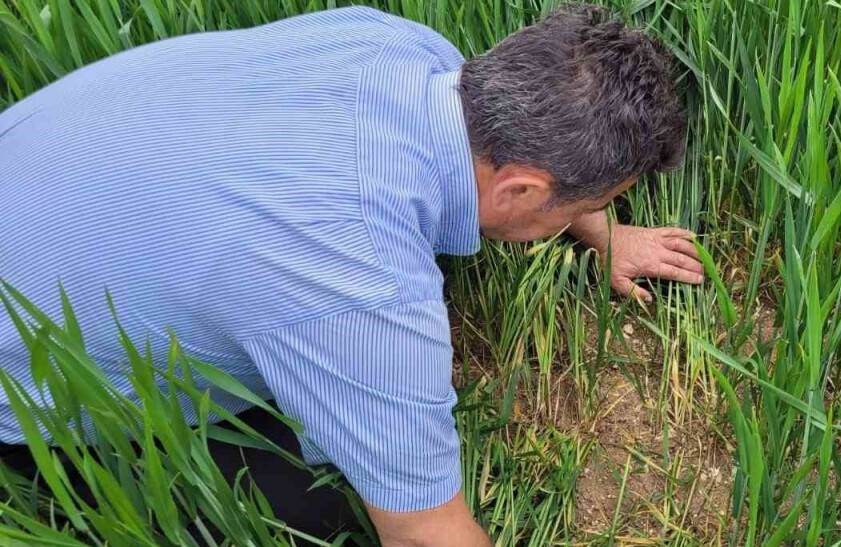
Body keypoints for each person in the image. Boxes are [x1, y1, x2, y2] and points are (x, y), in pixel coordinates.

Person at [0, 4, 700, 546]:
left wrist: (602, 231)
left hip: (32, 186)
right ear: (520, 190)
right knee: (323, 497)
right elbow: (424, 530)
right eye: (592, 202)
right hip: (20, 390)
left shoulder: (398, 48)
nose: (592, 214)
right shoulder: (361, 280)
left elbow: (514, 155)